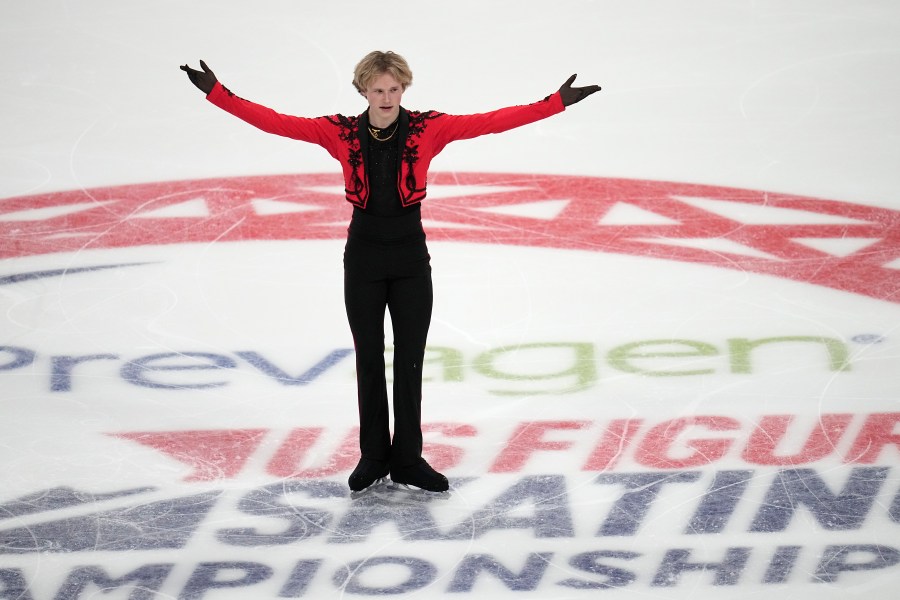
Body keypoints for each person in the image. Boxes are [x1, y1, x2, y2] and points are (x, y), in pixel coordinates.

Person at [180, 51, 600, 493]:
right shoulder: (337, 131)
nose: (386, 97)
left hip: (410, 261)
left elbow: (491, 121)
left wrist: (557, 102)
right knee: (368, 360)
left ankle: (408, 460)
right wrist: (216, 93)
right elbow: (274, 121)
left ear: (404, 89)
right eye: (378, 90)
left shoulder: (428, 128)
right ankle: (374, 455)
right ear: (363, 91)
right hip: (362, 258)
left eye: (393, 89)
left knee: (410, 361)